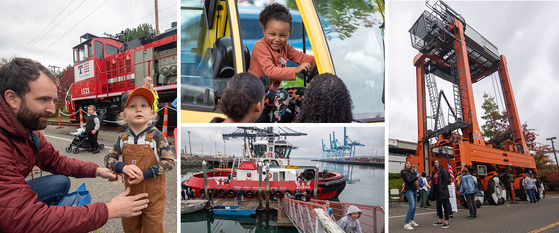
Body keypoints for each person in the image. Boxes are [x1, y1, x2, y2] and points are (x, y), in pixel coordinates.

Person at [0, 57, 149, 232]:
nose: (52, 109)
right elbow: (22, 219)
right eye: (43, 100)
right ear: (12, 98)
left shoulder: (28, 131)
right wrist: (109, 210)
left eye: (52, 100)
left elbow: (56, 161)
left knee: (60, 182)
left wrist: (96, 170)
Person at [104, 87, 175, 232]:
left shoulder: (157, 136)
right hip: (130, 197)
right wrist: (122, 167)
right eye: (132, 106)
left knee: (153, 228)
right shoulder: (122, 138)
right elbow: (108, 158)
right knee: (130, 227)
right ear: (123, 115)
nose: (138, 109)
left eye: (143, 105)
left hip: (153, 198)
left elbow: (169, 162)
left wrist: (145, 174)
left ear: (151, 114)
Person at [248, 3, 315, 122]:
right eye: (272, 34)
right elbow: (270, 71)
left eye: (283, 35)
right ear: (264, 31)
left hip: (271, 93)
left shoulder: (286, 48)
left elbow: (301, 57)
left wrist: (320, 61)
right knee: (282, 96)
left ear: (289, 35)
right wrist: (296, 70)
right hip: (255, 95)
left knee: (306, 93)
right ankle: (275, 127)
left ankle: (297, 121)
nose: (277, 39)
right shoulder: (260, 47)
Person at [431, 159, 451, 228]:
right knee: (438, 206)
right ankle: (440, 220)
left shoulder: (443, 170)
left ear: (439, 163)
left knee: (445, 206)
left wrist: (442, 187)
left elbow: (446, 180)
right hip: (436, 190)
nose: (436, 164)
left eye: (437, 162)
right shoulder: (434, 171)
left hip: (443, 191)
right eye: (435, 163)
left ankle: (446, 221)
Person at [401, 160, 420, 230]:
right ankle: (406, 223)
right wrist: (416, 177)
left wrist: (415, 172)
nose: (408, 165)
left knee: (414, 206)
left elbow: (414, 178)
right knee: (411, 206)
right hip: (409, 190)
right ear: (405, 165)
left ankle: (411, 221)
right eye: (407, 163)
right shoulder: (403, 172)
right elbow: (409, 180)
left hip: (414, 190)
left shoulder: (411, 172)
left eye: (409, 163)